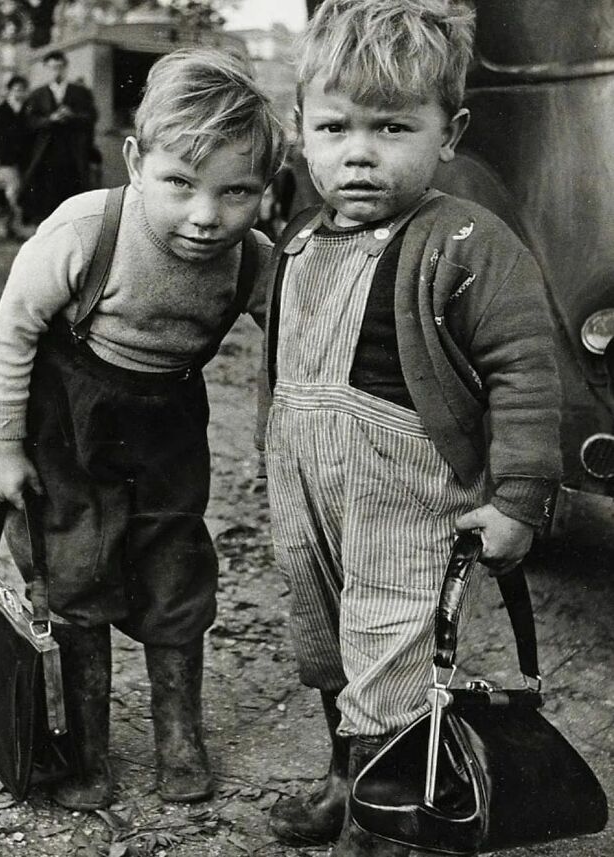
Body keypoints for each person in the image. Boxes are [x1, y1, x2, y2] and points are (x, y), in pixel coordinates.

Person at [257, 2, 562, 854]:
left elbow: (526, 371)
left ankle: (386, 827)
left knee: (391, 655)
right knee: (326, 642)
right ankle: (346, 779)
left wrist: (521, 499)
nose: (359, 151)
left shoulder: (468, 241)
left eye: (393, 126)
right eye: (335, 127)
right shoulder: (298, 241)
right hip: (310, 495)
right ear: (300, 131)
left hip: (410, 503)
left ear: (450, 131)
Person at [0, 48, 285, 811]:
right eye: (180, 183)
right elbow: (13, 330)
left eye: (236, 192)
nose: (206, 215)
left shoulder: (252, 262)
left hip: (168, 430)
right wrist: (5, 445)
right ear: (134, 161)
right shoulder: (87, 228)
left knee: (175, 570)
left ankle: (178, 735)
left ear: (265, 192)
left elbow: (302, 331)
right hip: (69, 429)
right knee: (75, 573)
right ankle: (87, 753)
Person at [21, 50, 97, 224]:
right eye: (52, 68)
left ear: (66, 68)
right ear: (46, 69)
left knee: (73, 192)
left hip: (73, 153)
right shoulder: (37, 95)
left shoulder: (80, 92)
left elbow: (91, 117)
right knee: (47, 194)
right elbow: (29, 123)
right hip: (46, 155)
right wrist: (50, 119)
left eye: (60, 67)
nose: (56, 72)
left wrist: (72, 115)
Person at [0, 74, 31, 239]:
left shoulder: (27, 109)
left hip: (25, 160)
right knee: (12, 192)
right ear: (9, 91)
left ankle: (12, 226)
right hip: (7, 160)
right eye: (16, 90)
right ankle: (14, 226)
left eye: (22, 90)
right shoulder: (2, 110)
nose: (19, 93)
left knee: (18, 193)